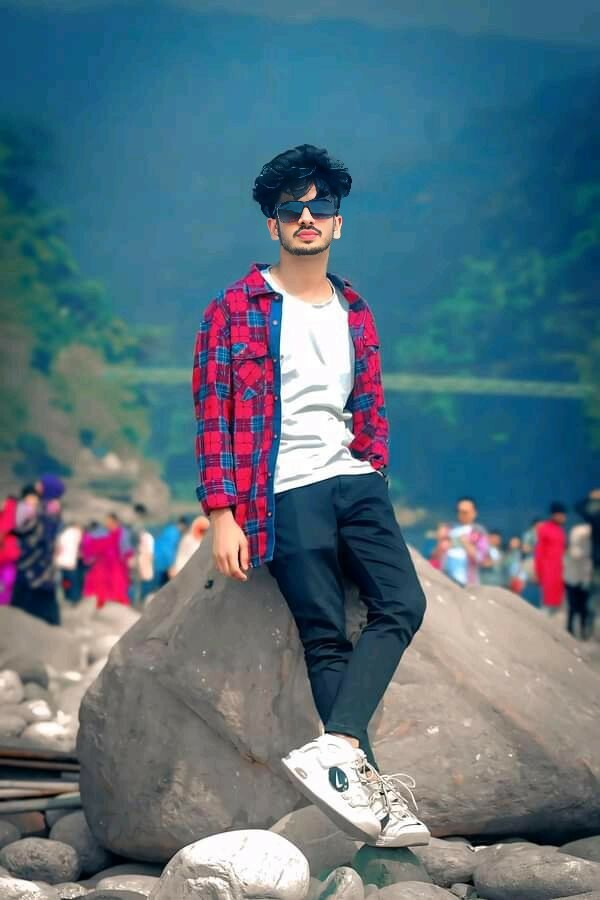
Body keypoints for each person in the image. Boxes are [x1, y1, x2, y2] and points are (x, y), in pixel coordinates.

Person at [192, 144, 429, 849]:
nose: (306, 217)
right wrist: (222, 514)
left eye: (319, 206)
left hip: (353, 479)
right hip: (283, 488)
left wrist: (374, 465)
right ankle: (371, 795)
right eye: (290, 208)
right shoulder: (233, 308)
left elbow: (371, 401)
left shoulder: (354, 307)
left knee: (403, 603)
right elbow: (212, 415)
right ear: (272, 224)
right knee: (325, 635)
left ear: (337, 222)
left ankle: (339, 746)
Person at [12, 477, 64, 626]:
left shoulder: (45, 508)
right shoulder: (53, 507)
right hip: (44, 563)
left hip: (34, 562)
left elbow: (25, 529)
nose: (37, 486)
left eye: (40, 484)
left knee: (30, 598)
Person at [81, 513, 133, 608]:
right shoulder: (103, 532)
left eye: (109, 521)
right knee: (99, 582)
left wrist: (127, 559)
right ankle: (101, 602)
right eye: (106, 521)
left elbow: (127, 550)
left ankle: (119, 604)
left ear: (115, 521)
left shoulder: (123, 533)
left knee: (117, 583)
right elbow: (92, 544)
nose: (107, 523)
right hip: (102, 563)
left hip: (116, 563)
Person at [443, 497, 490, 587]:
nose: (461, 515)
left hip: (467, 582)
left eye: (465, 512)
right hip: (445, 579)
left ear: (474, 513)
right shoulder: (450, 529)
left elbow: (482, 558)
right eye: (459, 511)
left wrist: (466, 544)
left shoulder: (478, 532)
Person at [575, 489, 600, 638]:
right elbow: (580, 509)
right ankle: (588, 631)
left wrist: (590, 499)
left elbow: (581, 509)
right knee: (593, 599)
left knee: (593, 599)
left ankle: (588, 631)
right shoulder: (597, 519)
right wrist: (591, 498)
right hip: (597, 565)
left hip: (596, 563)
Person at [534, 502, 567, 614]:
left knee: (558, 606)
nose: (563, 518)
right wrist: (538, 573)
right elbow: (539, 553)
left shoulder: (560, 530)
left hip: (560, 573)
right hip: (548, 572)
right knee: (547, 605)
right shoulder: (545, 529)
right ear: (554, 515)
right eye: (561, 515)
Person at [564, 518, 592, 639]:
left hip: (584, 580)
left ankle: (582, 630)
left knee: (583, 607)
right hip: (572, 580)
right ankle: (570, 629)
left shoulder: (589, 551)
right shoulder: (573, 550)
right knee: (572, 606)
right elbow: (575, 554)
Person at [153, 516, 188, 587]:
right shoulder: (174, 533)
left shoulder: (170, 530)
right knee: (162, 585)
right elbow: (168, 550)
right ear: (182, 525)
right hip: (162, 561)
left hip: (158, 559)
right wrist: (171, 565)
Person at [55, 521, 84, 604]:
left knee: (65, 580)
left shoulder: (62, 534)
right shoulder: (76, 533)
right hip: (71, 562)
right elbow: (83, 544)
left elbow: (58, 548)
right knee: (73, 582)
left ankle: (67, 595)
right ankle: (75, 598)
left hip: (61, 562)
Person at [0, 491, 20, 606]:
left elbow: (4, 528)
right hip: (11, 550)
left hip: (6, 550)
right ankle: (6, 598)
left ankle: (4, 599)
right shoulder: (16, 511)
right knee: (8, 576)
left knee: (6, 576)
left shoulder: (9, 509)